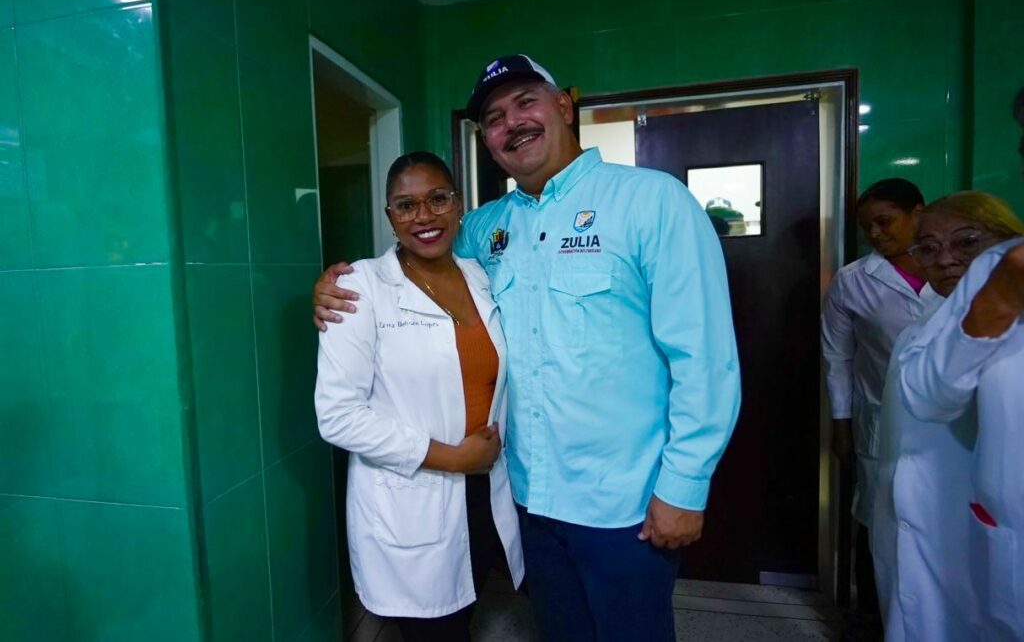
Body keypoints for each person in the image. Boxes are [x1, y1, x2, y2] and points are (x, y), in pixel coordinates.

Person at [314, 54, 741, 641]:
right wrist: (339, 286)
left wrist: (684, 486)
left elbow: (705, 359)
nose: (511, 123)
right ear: (486, 141)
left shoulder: (652, 202)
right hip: (528, 502)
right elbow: (416, 261)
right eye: (494, 118)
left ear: (563, 105)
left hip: (627, 503)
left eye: (525, 103)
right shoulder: (484, 228)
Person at [314, 152, 524, 642]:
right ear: (389, 216)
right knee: (435, 630)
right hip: (415, 496)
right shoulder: (359, 288)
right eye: (406, 206)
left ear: (458, 204)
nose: (424, 216)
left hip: (485, 492)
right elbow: (338, 416)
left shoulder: (481, 275)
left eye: (437, 199)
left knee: (468, 611)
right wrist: (453, 458)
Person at [897, 92, 1024, 641]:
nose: (946, 259)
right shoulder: (996, 275)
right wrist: (996, 301)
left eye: (966, 241)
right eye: (927, 249)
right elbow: (925, 394)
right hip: (955, 512)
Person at [820, 178, 939, 631]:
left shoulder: (955, 271)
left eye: (885, 221)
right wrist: (841, 423)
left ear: (918, 213)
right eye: (867, 226)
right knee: (876, 519)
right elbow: (837, 357)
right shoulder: (853, 281)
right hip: (880, 420)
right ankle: (872, 617)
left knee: (937, 521)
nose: (875, 233)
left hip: (950, 424)